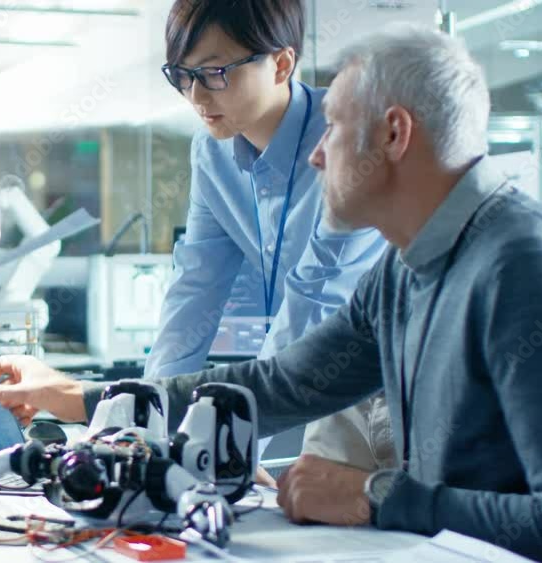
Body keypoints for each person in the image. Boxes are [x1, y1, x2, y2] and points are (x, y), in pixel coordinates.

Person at [0, 26, 542, 562]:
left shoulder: (530, 267)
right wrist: (83, 398)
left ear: (394, 135)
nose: (316, 157)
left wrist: (373, 495)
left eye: (332, 127)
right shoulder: (403, 270)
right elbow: (276, 386)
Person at [147, 0, 394, 477]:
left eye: (216, 71)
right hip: (291, 378)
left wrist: (230, 436)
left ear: (281, 63)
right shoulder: (211, 153)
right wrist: (147, 423)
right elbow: (195, 289)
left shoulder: (346, 138)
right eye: (182, 74)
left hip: (382, 391)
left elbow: (314, 298)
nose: (196, 95)